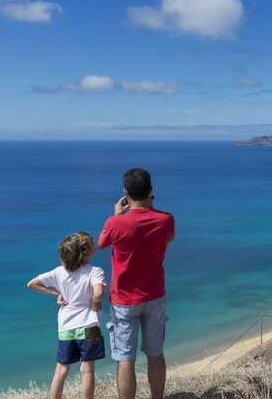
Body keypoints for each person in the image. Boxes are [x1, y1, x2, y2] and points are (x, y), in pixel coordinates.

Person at [98, 168, 175, 399]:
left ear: (125, 192)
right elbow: (168, 238)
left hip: (124, 300)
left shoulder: (116, 223)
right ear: (151, 191)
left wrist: (118, 215)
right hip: (154, 296)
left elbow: (102, 243)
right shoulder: (165, 220)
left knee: (125, 359)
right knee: (156, 354)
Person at [27, 232, 106, 399]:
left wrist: (56, 293)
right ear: (85, 252)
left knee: (61, 369)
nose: (94, 244)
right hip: (89, 325)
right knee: (87, 369)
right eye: (92, 243)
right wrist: (96, 304)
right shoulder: (94, 271)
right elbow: (98, 294)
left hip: (66, 327)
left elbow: (32, 284)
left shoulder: (58, 272)